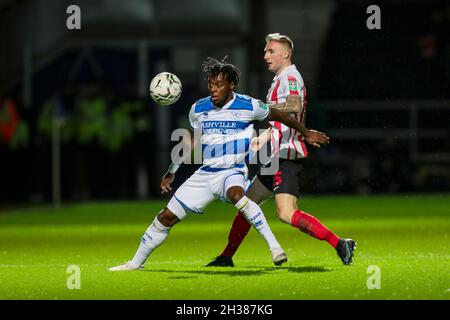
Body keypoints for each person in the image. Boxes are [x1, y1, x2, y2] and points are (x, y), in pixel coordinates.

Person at [109, 57, 329, 271]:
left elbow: (280, 115)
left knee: (237, 195)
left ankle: (274, 246)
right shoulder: (198, 109)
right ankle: (135, 263)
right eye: (210, 84)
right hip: (205, 174)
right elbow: (190, 140)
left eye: (219, 85)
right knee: (165, 217)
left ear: (231, 85)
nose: (213, 89)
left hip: (232, 172)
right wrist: (172, 170)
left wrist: (306, 132)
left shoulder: (248, 105)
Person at [206, 33, 356, 268]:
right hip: (274, 157)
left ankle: (340, 243)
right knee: (246, 204)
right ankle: (226, 256)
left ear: (285, 53)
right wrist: (264, 135)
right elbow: (279, 120)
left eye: (271, 51)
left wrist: (262, 109)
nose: (266, 55)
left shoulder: (291, 77)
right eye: (265, 51)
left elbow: (294, 105)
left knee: (286, 213)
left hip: (287, 157)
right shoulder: (278, 80)